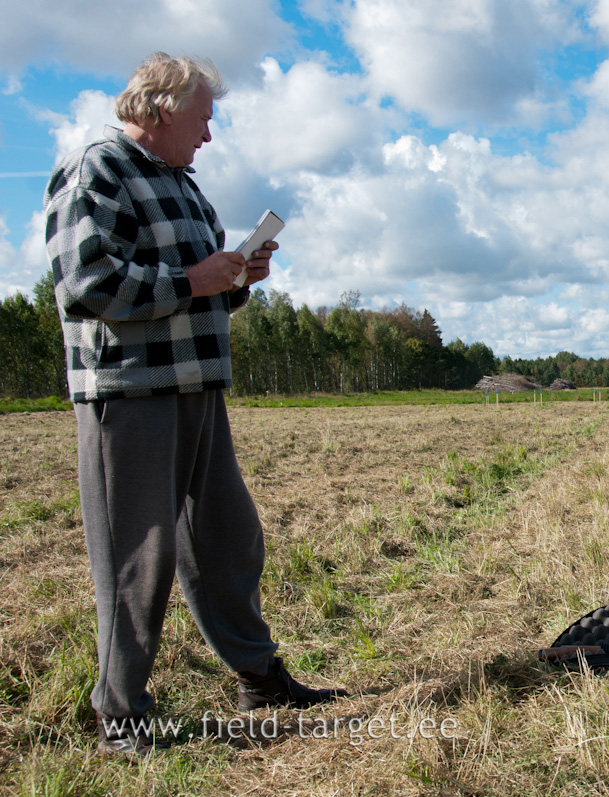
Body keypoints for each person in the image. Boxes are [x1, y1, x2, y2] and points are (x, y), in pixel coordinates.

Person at [45, 53, 345, 756]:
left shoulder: (182, 183)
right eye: (203, 119)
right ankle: (121, 717)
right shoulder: (96, 170)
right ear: (161, 107)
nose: (209, 136)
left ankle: (258, 676)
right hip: (130, 394)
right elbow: (87, 284)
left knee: (227, 540)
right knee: (134, 563)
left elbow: (193, 288)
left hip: (196, 385)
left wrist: (236, 277)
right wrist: (192, 277)